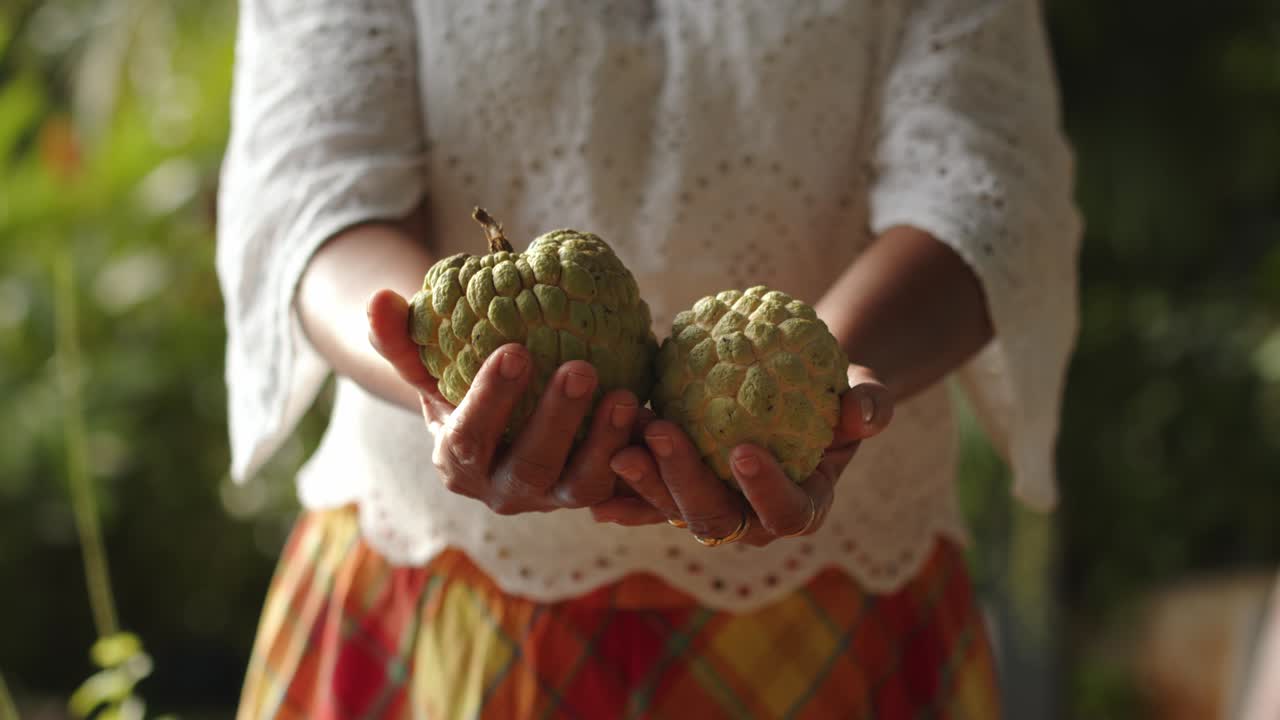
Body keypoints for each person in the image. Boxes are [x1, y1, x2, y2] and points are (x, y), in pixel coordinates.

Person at [217, 0, 1080, 717]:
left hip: (841, 592)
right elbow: (310, 185)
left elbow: (989, 189)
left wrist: (820, 379)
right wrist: (438, 381)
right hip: (442, 584)